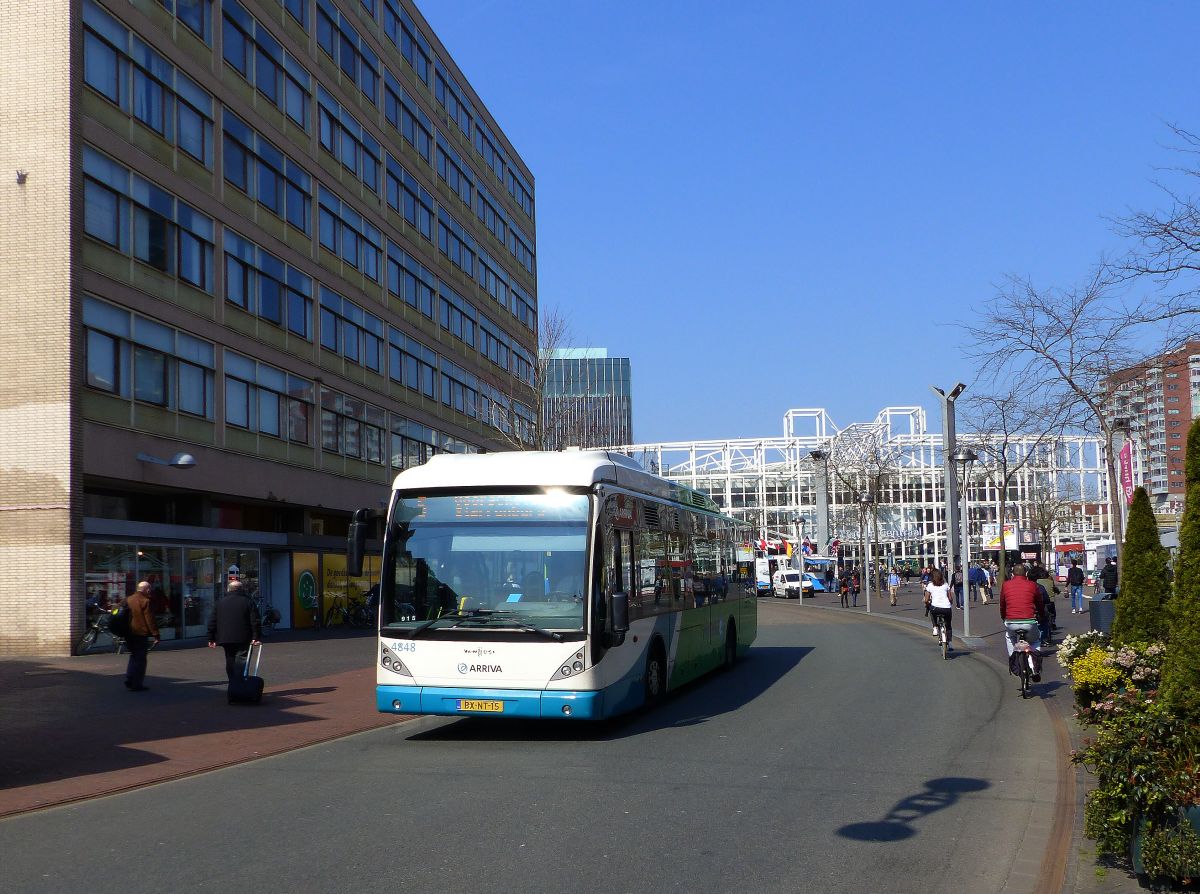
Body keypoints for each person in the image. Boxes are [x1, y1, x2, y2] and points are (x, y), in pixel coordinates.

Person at [207, 579, 263, 685]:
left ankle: (233, 682)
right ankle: (239, 683)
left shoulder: (220, 602)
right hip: (244, 637)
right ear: (242, 589)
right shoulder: (248, 602)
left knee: (230, 659)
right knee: (242, 660)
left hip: (225, 638)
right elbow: (255, 620)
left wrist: (211, 638)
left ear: (229, 589)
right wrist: (256, 636)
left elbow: (212, 620)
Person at [999, 563, 1045, 665]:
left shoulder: (1006, 585)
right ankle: (1035, 663)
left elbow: (1002, 604)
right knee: (1035, 640)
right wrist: (1041, 615)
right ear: (1026, 573)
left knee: (1009, 636)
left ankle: (1013, 659)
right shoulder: (1032, 585)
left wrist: (1003, 617)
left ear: (1012, 574)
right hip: (1029, 621)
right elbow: (1039, 602)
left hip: (1011, 621)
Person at [124, 580, 159, 692]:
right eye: (149, 589)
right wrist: (156, 634)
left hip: (129, 633)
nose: (150, 591)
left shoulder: (128, 599)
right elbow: (150, 619)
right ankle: (137, 683)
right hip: (140, 633)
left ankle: (129, 677)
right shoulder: (145, 601)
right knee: (141, 659)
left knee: (133, 655)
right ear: (145, 589)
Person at [923, 569, 953, 647]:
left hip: (935, 608)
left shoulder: (930, 585)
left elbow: (926, 599)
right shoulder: (946, 585)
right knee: (948, 625)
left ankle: (935, 627)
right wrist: (950, 604)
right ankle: (949, 642)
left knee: (932, 612)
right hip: (946, 608)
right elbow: (950, 598)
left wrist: (927, 603)